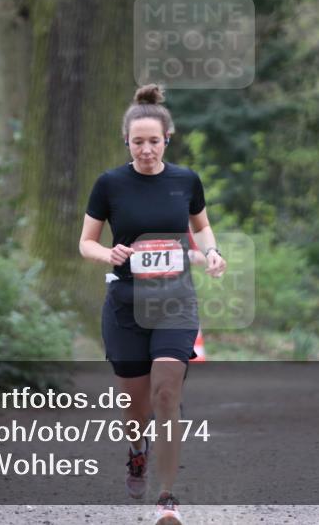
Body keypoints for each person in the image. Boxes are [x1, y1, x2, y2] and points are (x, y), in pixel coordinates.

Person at [79, 84, 226, 525]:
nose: (146, 149)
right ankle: (136, 450)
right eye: (138, 141)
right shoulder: (109, 184)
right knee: (136, 405)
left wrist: (213, 253)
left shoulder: (186, 181)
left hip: (175, 301)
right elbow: (86, 243)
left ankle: (168, 498)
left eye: (154, 141)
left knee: (167, 392)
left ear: (167, 139)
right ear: (127, 141)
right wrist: (110, 254)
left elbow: (201, 229)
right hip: (126, 304)